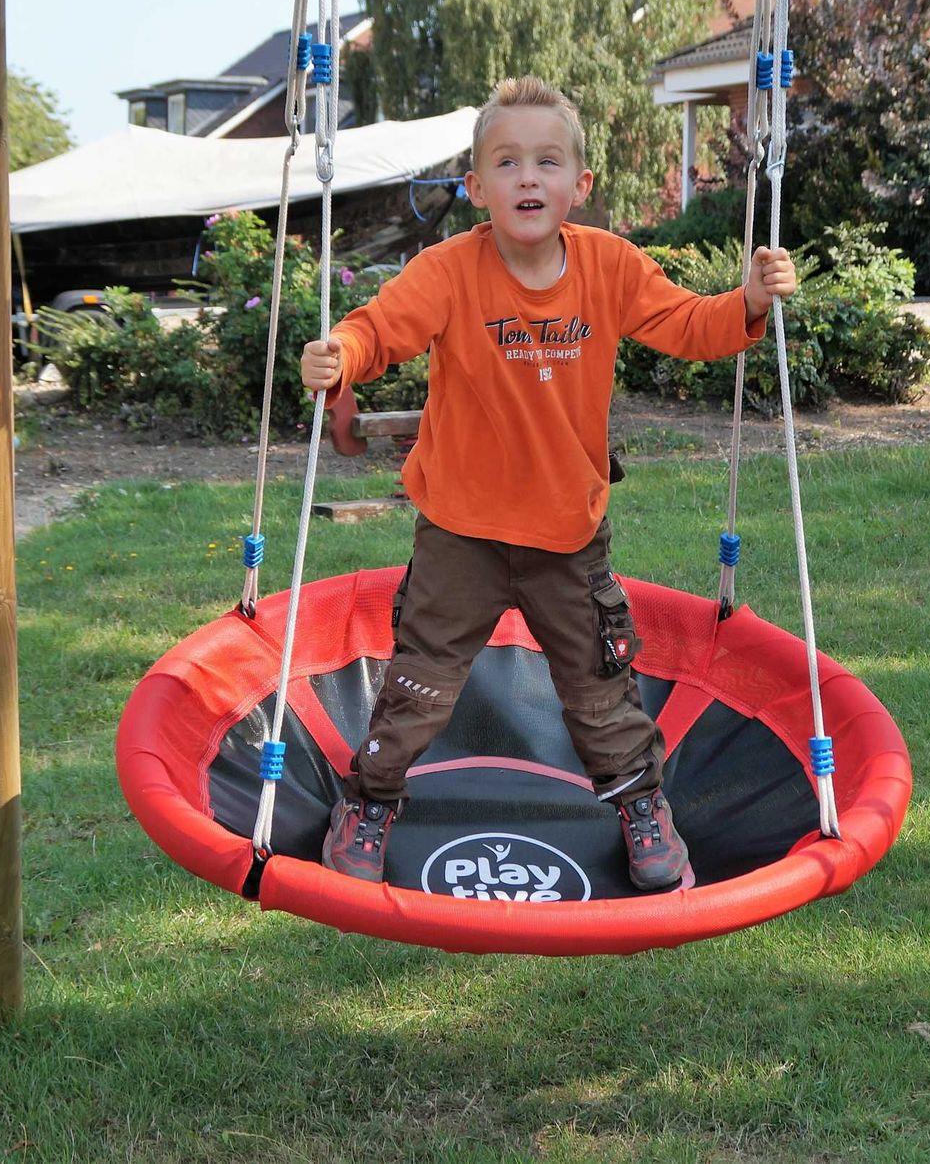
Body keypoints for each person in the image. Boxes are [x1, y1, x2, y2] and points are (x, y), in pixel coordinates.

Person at [301, 75, 797, 891]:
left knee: (600, 685)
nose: (526, 177)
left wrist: (745, 299)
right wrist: (342, 356)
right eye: (506, 162)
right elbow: (379, 328)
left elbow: (689, 325)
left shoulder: (608, 265)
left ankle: (641, 806)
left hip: (568, 534)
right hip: (459, 531)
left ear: (580, 184)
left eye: (546, 161)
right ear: (476, 187)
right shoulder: (448, 271)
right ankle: (371, 799)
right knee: (420, 682)